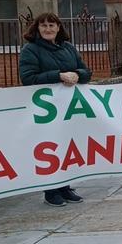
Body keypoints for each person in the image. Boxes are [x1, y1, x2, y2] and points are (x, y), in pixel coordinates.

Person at [19, 12, 92, 206]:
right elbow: (28, 78)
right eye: (44, 26)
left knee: (67, 146)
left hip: (68, 108)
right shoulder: (30, 50)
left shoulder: (68, 48)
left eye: (52, 25)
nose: (48, 29)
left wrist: (77, 74)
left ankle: (65, 187)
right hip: (46, 109)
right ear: (37, 29)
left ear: (59, 28)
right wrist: (58, 76)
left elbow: (87, 72)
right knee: (49, 147)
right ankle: (51, 190)